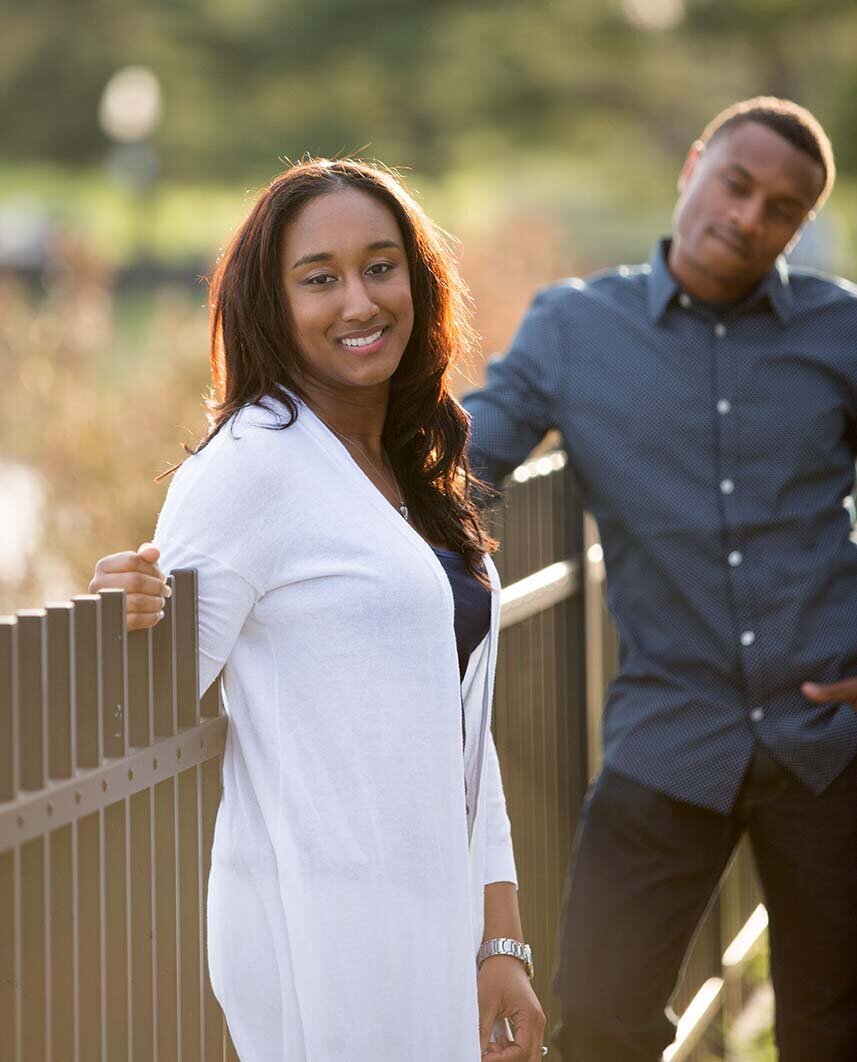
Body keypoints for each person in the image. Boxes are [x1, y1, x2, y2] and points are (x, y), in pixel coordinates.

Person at [89, 159, 546, 1062]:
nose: (359, 301)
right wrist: (120, 610)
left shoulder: (411, 468)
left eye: (381, 266)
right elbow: (143, 700)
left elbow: (462, 730)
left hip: (437, 922)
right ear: (271, 301)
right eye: (319, 278)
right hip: (323, 933)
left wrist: (499, 939)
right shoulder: (251, 466)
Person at [463, 97, 857, 1061]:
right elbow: (458, 463)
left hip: (832, 743)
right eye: (736, 183)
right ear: (691, 168)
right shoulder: (572, 328)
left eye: (782, 208)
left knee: (833, 1027)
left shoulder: (839, 329)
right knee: (598, 1021)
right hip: (669, 731)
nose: (749, 216)